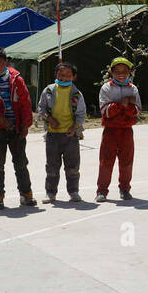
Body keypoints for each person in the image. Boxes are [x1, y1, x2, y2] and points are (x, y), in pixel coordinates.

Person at [0, 48, 35, 209]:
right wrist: (1, 119)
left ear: (6, 62)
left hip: (17, 127)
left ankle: (26, 195)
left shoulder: (17, 79)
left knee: (21, 162)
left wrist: (25, 125)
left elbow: (25, 103)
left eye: (0, 63)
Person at [37, 59, 87, 203]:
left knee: (72, 167)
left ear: (74, 77)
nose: (63, 77)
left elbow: (81, 114)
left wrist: (74, 128)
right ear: (55, 74)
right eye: (60, 74)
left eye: (67, 75)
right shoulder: (48, 91)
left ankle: (73, 192)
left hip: (70, 136)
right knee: (52, 167)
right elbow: (41, 108)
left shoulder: (77, 94)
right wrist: (49, 118)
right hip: (52, 135)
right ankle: (50, 193)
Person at [96, 57, 141, 202]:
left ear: (129, 73)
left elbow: (137, 110)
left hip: (127, 130)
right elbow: (105, 111)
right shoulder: (106, 88)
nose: (121, 74)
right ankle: (102, 191)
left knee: (127, 161)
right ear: (111, 72)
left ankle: (125, 189)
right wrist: (123, 104)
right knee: (106, 161)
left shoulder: (133, 88)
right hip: (110, 130)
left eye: (125, 71)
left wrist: (127, 106)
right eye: (117, 71)